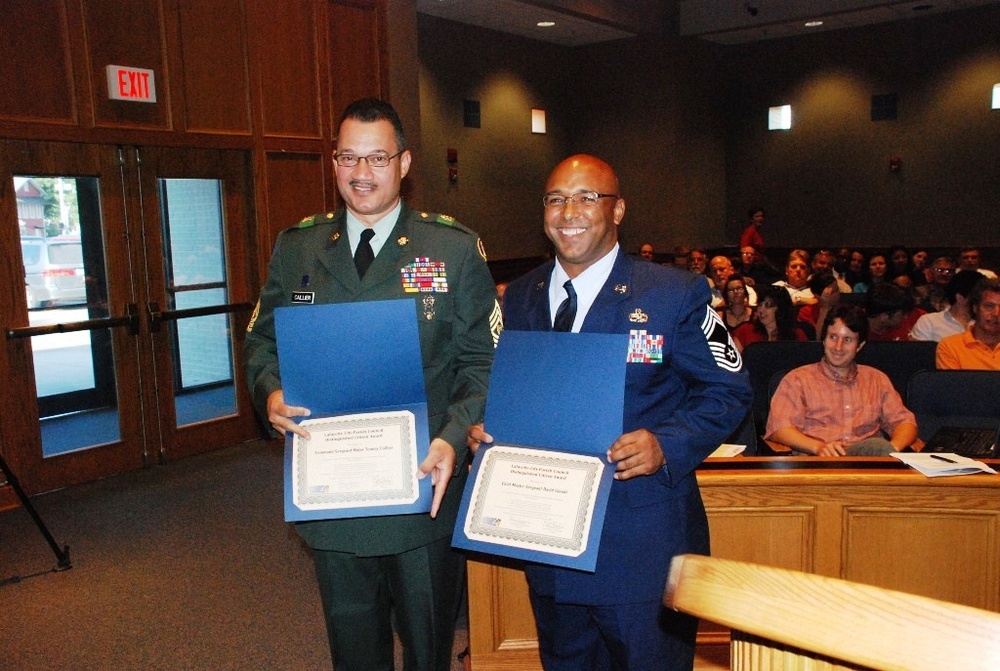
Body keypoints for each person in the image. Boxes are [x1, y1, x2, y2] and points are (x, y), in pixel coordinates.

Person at [243, 98, 500, 671]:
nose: (361, 174)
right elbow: (262, 341)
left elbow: (482, 361)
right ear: (333, 163)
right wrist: (271, 393)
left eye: (377, 158)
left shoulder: (452, 249)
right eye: (347, 158)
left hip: (421, 489)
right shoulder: (298, 246)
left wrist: (454, 438)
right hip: (335, 494)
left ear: (405, 163)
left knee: (427, 648)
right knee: (354, 651)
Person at [469, 154, 750, 671]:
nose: (568, 211)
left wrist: (668, 442)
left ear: (617, 210)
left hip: (640, 541)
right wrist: (492, 430)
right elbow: (519, 392)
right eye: (555, 199)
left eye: (585, 197)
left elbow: (728, 389)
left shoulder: (674, 293)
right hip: (551, 537)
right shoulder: (522, 297)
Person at [766, 304, 918, 456]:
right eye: (833, 337)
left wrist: (892, 450)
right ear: (824, 340)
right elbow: (779, 428)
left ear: (860, 346)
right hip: (817, 464)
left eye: (847, 340)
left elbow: (904, 422)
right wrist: (818, 447)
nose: (838, 347)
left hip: (868, 465)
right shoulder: (797, 379)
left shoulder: (877, 379)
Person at [936, 277, 1000, 370]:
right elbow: (953, 384)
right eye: (989, 306)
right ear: (975, 308)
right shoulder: (950, 346)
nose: (996, 313)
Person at [731, 285, 811, 348]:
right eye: (760, 305)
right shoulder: (745, 331)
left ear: (780, 309)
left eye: (768, 305)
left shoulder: (797, 334)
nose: (761, 310)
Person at [909, 270, 980, 342]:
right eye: (978, 298)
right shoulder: (929, 322)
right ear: (960, 298)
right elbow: (920, 352)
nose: (982, 303)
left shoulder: (986, 325)